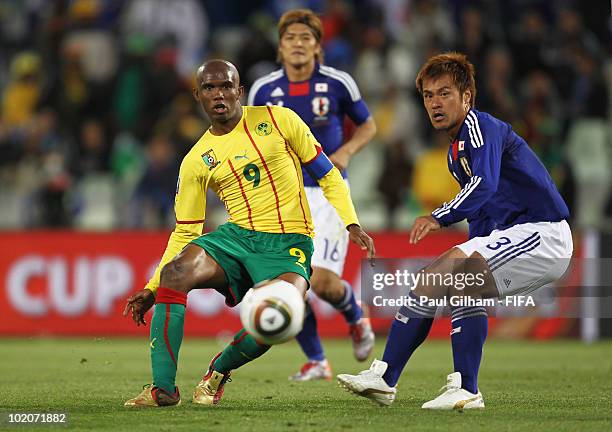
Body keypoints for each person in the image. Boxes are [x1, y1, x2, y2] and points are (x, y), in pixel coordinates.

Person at [122, 59, 375, 407]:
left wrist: (351, 222)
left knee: (280, 316)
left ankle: (218, 371)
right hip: (236, 237)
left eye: (226, 86)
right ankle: (163, 388)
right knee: (175, 273)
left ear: (239, 91)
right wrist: (154, 287)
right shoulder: (196, 159)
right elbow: (185, 232)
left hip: (289, 241)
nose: (219, 94)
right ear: (198, 96)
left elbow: (328, 174)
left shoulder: (279, 119)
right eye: (209, 88)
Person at [337, 52, 572, 409]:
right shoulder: (454, 151)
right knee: (447, 281)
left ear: (467, 97)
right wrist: (463, 253)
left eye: (445, 93)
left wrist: (439, 215)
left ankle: (453, 384)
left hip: (544, 234)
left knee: (455, 275)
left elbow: (484, 185)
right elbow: (482, 217)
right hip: (516, 236)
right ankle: (393, 380)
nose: (435, 103)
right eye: (429, 96)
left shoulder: (481, 128)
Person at [248, 9, 377, 381]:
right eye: (291, 38)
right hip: (282, 198)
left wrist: (347, 152)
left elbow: (368, 125)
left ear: (318, 47)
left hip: (327, 193)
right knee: (290, 285)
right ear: (280, 48)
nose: (298, 44)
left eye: (306, 38)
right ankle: (317, 361)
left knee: (321, 283)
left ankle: (355, 316)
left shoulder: (338, 83)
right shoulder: (263, 90)